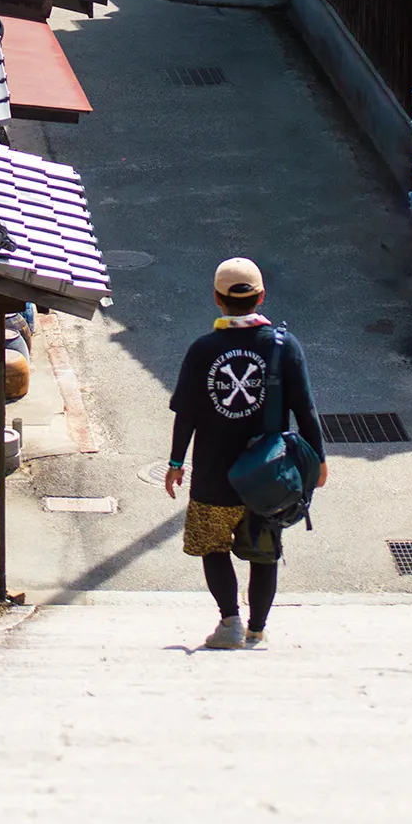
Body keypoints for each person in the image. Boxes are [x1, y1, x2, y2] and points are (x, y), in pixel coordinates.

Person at [165, 257, 326, 649]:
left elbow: (186, 413)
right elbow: (305, 408)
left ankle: (229, 623)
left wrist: (175, 462)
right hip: (267, 476)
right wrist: (318, 460)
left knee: (213, 547)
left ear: (217, 299)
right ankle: (257, 630)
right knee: (264, 552)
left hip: (213, 474)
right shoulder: (284, 346)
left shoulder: (203, 349)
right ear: (262, 297)